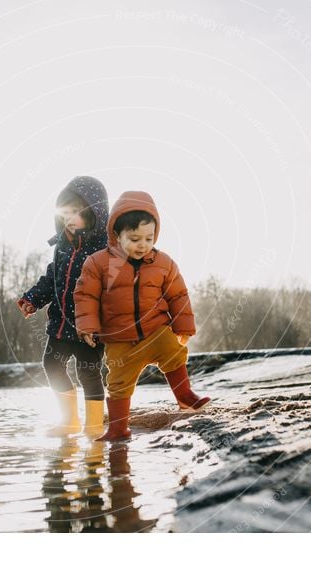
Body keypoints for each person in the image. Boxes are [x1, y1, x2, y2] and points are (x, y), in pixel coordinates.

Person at [73, 191, 210, 442]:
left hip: (156, 329)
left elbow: (178, 295)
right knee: (118, 383)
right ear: (117, 234)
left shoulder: (164, 263)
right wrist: (87, 327)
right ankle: (118, 428)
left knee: (174, 353)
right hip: (120, 338)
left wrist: (183, 327)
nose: (142, 244)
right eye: (134, 238)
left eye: (149, 238)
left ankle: (186, 397)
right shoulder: (98, 263)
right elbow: (85, 296)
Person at [17, 176, 109, 436]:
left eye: (76, 213)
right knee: (52, 365)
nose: (69, 218)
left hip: (89, 325)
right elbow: (51, 278)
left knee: (88, 373)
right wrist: (32, 299)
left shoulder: (104, 248)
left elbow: (111, 288)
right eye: (65, 212)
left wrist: (99, 323)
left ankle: (93, 425)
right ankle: (69, 420)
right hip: (59, 322)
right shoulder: (62, 245)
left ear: (94, 212)